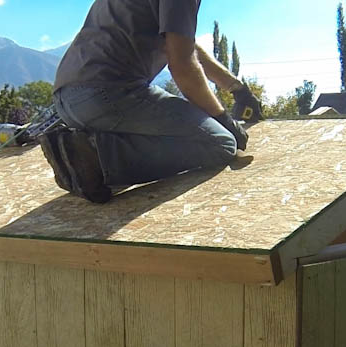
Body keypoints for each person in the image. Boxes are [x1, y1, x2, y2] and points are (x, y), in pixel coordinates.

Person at [41, 0, 263, 203]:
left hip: (67, 100)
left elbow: (186, 47)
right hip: (109, 93)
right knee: (219, 143)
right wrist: (221, 118)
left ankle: (84, 148)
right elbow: (183, 65)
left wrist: (238, 89)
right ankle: (96, 161)